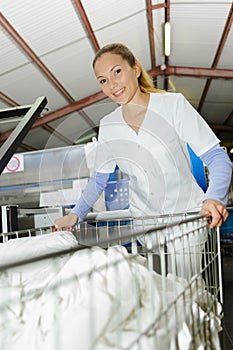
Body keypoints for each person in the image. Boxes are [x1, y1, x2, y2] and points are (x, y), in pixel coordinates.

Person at [54, 43, 232, 235]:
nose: (112, 85)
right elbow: (98, 180)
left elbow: (217, 157)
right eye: (103, 80)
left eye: (117, 72)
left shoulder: (172, 105)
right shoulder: (108, 126)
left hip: (187, 221)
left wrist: (214, 197)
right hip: (145, 227)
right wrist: (75, 214)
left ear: (136, 69)